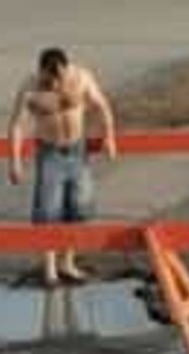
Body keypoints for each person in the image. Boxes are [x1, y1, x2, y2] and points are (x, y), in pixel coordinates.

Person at [8, 47, 118, 288]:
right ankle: (49, 270)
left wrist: (109, 137)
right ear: (42, 72)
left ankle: (67, 262)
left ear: (66, 68)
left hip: (77, 151)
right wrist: (14, 161)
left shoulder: (81, 78)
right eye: (51, 79)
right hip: (50, 153)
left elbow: (102, 106)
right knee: (48, 211)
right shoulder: (30, 88)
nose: (56, 84)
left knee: (79, 208)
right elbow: (16, 125)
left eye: (60, 77)